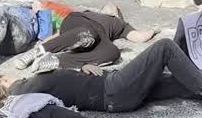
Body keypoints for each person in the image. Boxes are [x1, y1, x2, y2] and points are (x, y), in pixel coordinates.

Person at [4, 38, 202, 112]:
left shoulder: (39, 81)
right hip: (112, 90)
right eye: (2, 79)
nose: (6, 76)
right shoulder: (23, 89)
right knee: (165, 47)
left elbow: (66, 85)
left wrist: (81, 69)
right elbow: (2, 104)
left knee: (178, 81)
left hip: (111, 88)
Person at [11, 5, 156, 72]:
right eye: (109, 7)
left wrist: (154, 30)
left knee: (113, 52)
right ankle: (37, 52)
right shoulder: (88, 13)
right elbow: (62, 34)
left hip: (101, 38)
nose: (112, 8)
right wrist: (47, 43)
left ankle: (55, 61)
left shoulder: (122, 26)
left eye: (116, 9)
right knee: (88, 33)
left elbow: (140, 37)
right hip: (79, 24)